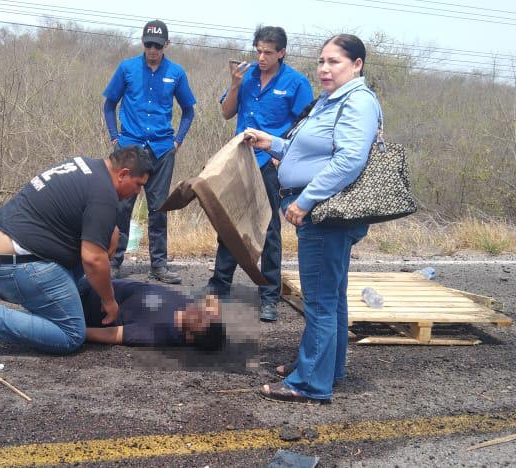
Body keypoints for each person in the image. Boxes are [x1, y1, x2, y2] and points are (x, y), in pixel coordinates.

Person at [241, 34, 382, 404]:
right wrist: (269, 142)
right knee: (331, 297)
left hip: (326, 215)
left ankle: (309, 384)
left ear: (357, 65)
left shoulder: (357, 102)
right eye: (321, 61)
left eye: (334, 62)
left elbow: (349, 160)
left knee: (319, 300)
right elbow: (308, 150)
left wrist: (304, 201)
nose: (324, 68)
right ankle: (326, 369)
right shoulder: (330, 102)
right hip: (322, 213)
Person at [0, 146, 152, 356]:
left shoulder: (86, 166)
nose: (138, 192)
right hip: (20, 263)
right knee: (71, 334)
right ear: (123, 174)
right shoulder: (104, 194)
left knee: (100, 250)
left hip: (6, 249)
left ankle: (7, 290)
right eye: (138, 185)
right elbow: (93, 259)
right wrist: (109, 300)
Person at [207, 26, 313, 323]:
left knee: (268, 231)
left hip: (270, 161)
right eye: (258, 51)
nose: (261, 57)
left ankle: (268, 295)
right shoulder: (247, 75)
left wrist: (285, 157)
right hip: (239, 159)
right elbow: (227, 113)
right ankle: (220, 284)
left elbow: (306, 125)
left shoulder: (296, 82)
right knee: (229, 221)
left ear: (282, 52)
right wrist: (235, 84)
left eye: (268, 52)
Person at [102, 19, 197, 284]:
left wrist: (178, 141)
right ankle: (114, 261)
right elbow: (109, 104)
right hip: (129, 148)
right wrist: (114, 138)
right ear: (143, 43)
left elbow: (189, 110)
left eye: (157, 45)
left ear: (166, 44)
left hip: (161, 149)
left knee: (158, 209)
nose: (152, 50)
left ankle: (159, 265)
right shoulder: (127, 68)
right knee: (121, 207)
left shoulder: (176, 73)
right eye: (148, 44)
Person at [0, 271, 227, 351]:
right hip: (92, 285)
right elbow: (213, 300)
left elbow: (112, 336)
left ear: (190, 337)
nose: (201, 311)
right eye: (206, 314)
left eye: (201, 320)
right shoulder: (194, 311)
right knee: (31, 289)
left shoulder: (159, 333)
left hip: (77, 305)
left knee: (33, 300)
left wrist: (72, 332)